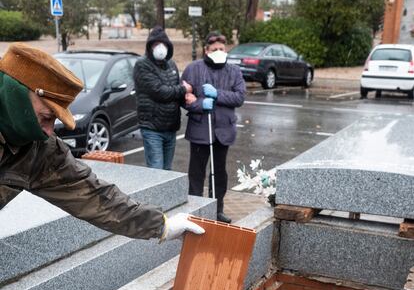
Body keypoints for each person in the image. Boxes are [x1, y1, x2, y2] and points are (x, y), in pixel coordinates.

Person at [0, 43, 203, 243]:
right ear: (15, 96)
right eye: (46, 117)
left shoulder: (40, 149)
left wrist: (162, 226)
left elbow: (90, 194)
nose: (49, 131)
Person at [181, 31, 246, 224]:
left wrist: (217, 94)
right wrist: (200, 104)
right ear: (206, 50)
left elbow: (240, 97)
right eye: (214, 49)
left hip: (223, 131)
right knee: (196, 173)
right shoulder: (193, 69)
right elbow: (183, 98)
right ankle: (195, 209)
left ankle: (217, 209)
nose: (219, 52)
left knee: (219, 173)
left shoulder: (234, 71)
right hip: (201, 129)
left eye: (221, 49)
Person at [133, 26, 192, 170]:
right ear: (149, 47)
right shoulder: (142, 65)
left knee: (167, 171)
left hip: (170, 127)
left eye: (163, 44)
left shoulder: (171, 64)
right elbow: (160, 92)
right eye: (155, 44)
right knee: (156, 170)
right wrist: (185, 89)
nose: (160, 47)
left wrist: (191, 100)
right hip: (152, 128)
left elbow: (176, 92)